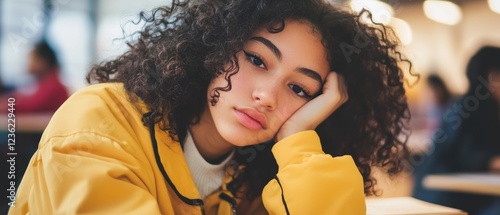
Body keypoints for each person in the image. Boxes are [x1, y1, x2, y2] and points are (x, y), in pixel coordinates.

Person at [10, 0, 413, 214]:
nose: (267, 96)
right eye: (256, 60)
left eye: (300, 89)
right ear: (214, 47)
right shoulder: (99, 120)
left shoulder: (257, 176)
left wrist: (299, 141)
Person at [413, 46, 500, 215]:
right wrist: (493, 161)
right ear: (492, 77)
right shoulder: (469, 108)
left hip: (454, 195)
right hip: (442, 199)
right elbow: (466, 155)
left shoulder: (473, 106)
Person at [0, 40, 69, 113]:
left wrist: (4, 105)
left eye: (31, 59)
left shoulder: (54, 85)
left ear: (42, 62)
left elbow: (30, 106)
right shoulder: (45, 82)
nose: (27, 63)